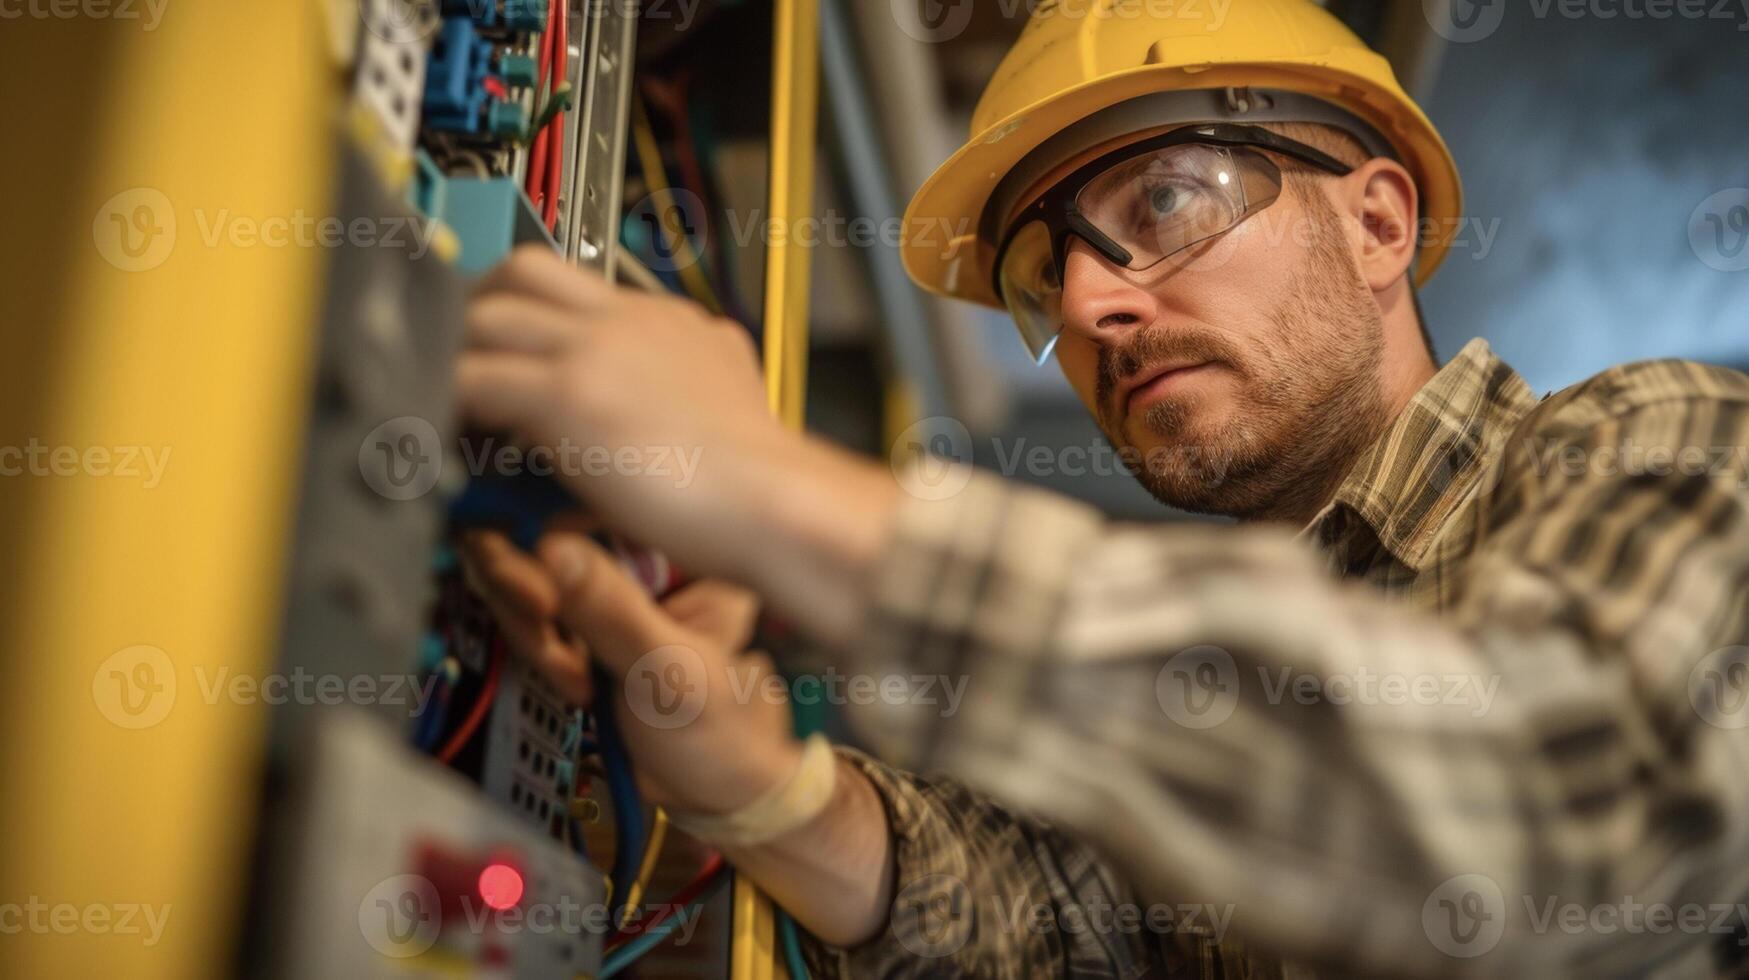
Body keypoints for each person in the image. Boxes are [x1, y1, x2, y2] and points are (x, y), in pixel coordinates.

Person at [454, 1, 1749, 975]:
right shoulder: (1229, 703)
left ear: (1375, 224)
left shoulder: (1670, 436)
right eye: (1042, 272)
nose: (1088, 303)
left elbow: (1545, 804)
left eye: (1168, 195)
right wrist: (767, 792)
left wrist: (773, 493)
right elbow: (1060, 918)